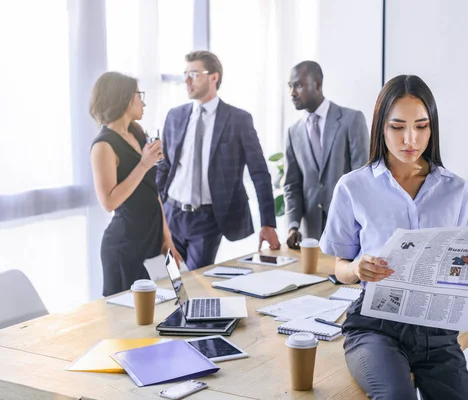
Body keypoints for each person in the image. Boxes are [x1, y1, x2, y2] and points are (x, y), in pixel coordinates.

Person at [319, 75, 468, 400]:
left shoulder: (455, 190)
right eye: (397, 127)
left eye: (421, 126)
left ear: (433, 127)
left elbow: (467, 260)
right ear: (381, 128)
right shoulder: (353, 187)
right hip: (374, 324)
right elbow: (340, 267)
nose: (410, 139)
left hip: (435, 327)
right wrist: (358, 268)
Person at [157, 51, 280, 271]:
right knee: (168, 283)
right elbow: (164, 167)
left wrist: (268, 223)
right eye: (185, 74)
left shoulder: (239, 120)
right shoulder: (174, 116)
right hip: (172, 214)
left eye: (193, 74)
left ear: (214, 77)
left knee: (195, 284)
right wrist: (156, 210)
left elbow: (259, 173)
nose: (186, 80)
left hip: (208, 220)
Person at [89, 72, 183, 297]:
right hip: (125, 245)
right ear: (122, 98)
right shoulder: (103, 145)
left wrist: (167, 238)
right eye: (139, 95)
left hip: (152, 239)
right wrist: (144, 164)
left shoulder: (138, 134)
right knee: (128, 320)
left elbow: (153, 192)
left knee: (171, 302)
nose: (144, 101)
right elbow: (109, 202)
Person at [284, 61, 369, 249]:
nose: (292, 93)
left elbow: (363, 178)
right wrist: (293, 226)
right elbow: (292, 185)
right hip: (311, 236)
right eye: (290, 86)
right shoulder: (293, 132)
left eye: (298, 85)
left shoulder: (351, 120)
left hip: (349, 230)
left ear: (317, 84)